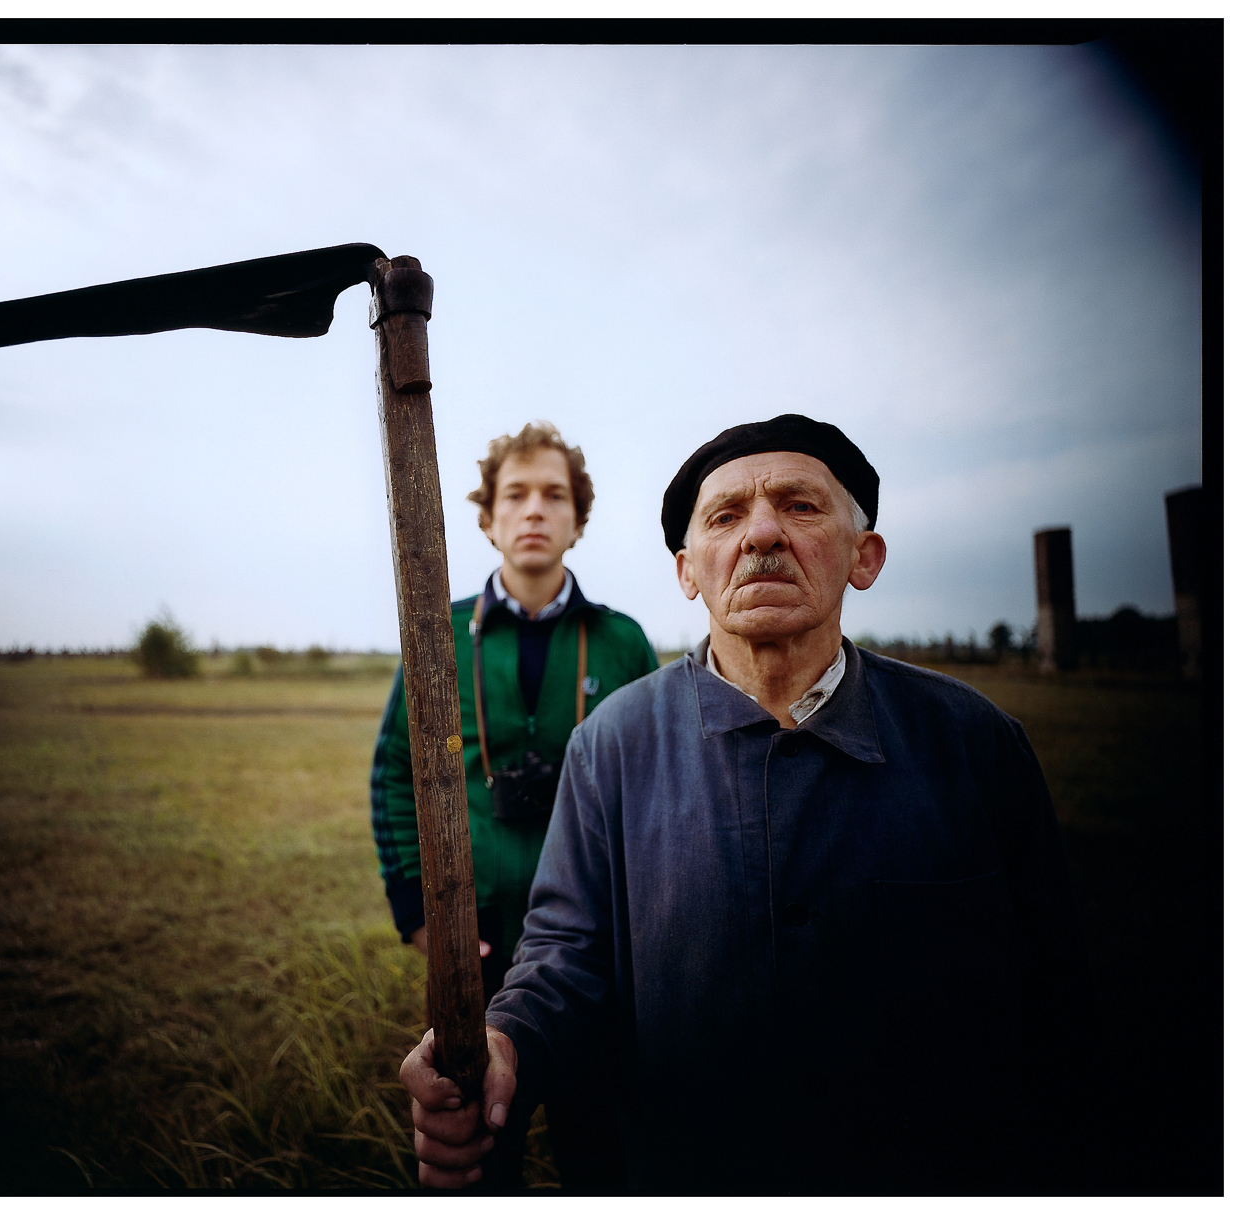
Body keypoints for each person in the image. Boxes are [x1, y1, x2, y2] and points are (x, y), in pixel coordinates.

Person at [400, 414, 1093, 1195]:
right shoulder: (612, 747)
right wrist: (508, 1042)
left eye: (799, 505)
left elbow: (1057, 999)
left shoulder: (975, 743)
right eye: (726, 516)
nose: (762, 532)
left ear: (865, 556)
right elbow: (565, 954)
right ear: (687, 569)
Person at [370, 421, 658, 1186]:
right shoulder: (437, 632)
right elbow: (394, 770)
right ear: (489, 516)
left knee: (598, 1142)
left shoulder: (624, 641)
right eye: (516, 494)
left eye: (554, 495)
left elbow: (656, 788)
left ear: (577, 517)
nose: (534, 509)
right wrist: (419, 915)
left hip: (597, 941)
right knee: (478, 1142)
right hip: (478, 935)